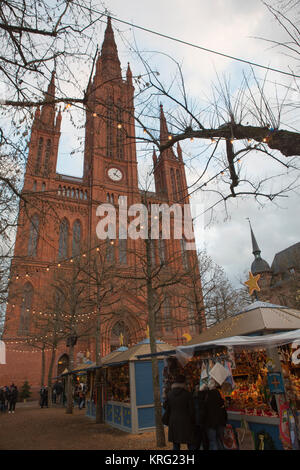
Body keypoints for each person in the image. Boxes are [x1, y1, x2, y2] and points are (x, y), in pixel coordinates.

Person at [164, 374, 196, 451]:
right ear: (184, 383)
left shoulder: (169, 394)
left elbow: (166, 407)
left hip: (173, 421)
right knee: (190, 443)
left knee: (176, 445)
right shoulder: (187, 394)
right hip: (186, 421)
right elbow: (192, 410)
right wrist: (193, 421)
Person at [204, 378, 227, 450]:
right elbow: (222, 408)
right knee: (219, 440)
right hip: (220, 422)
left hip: (211, 423)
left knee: (213, 441)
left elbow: (205, 410)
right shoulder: (218, 394)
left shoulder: (206, 396)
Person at [193, 384, 209, 450]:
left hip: (197, 421)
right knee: (204, 439)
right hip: (203, 421)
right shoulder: (205, 397)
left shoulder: (194, 398)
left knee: (198, 439)